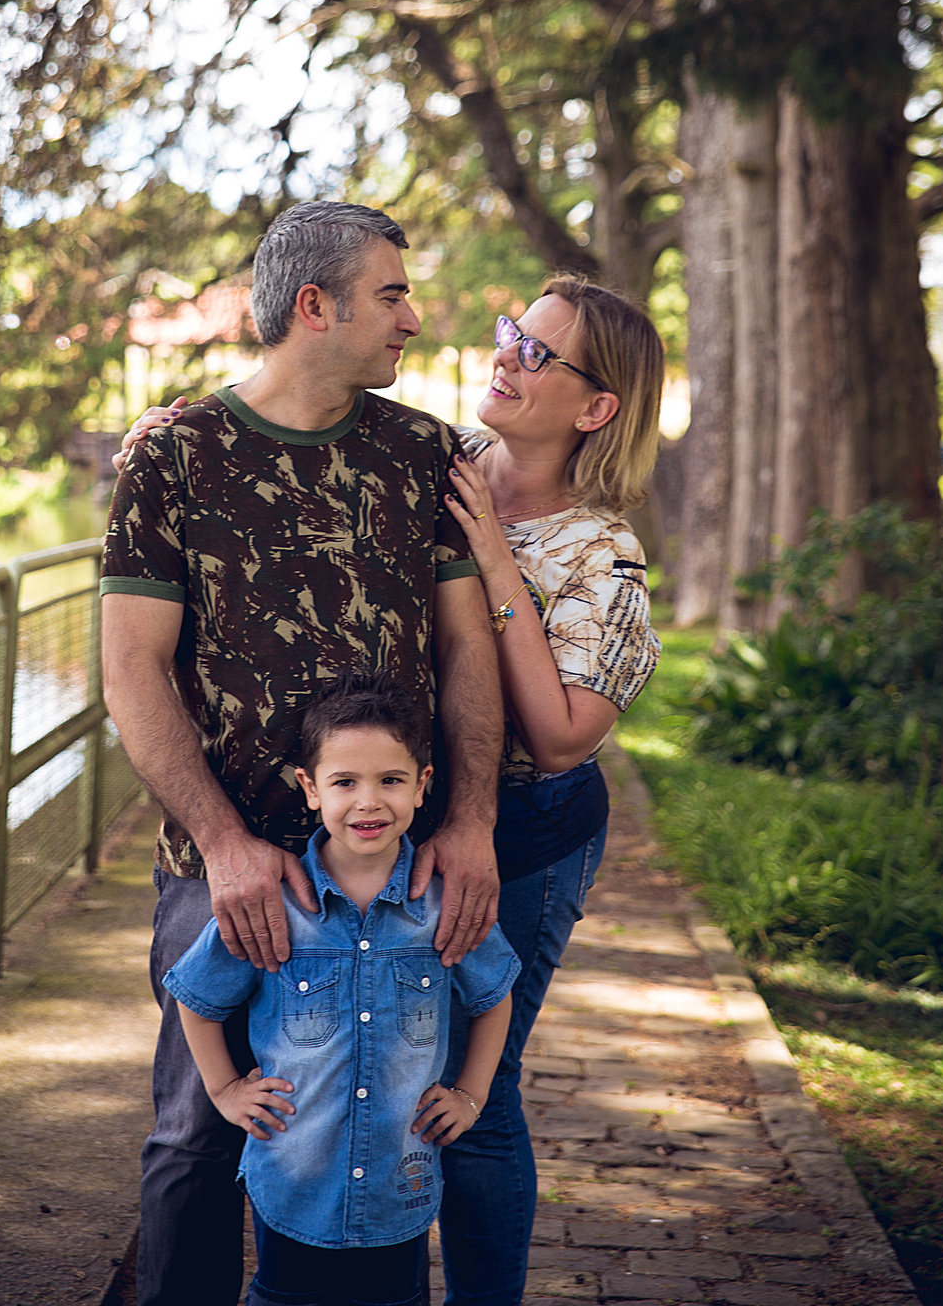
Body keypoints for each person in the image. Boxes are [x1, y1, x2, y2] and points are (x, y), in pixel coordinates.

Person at [121, 271, 664, 1306]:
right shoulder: (439, 457)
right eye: (512, 332)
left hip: (526, 825)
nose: (505, 356)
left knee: (471, 1090)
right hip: (400, 810)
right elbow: (301, 428)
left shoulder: (602, 551)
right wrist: (175, 436)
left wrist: (493, 559)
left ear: (596, 409)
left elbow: (559, 738)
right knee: (383, 1061)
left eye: (538, 352)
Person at [99, 201, 504, 1306]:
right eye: (393, 294)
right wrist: (224, 844)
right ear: (314, 305)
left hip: (388, 864)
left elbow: (467, 650)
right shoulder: (173, 456)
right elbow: (134, 671)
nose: (413, 318)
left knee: (387, 1122)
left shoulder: (424, 454)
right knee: (195, 1134)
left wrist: (470, 820)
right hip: (221, 865)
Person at [163, 673, 520, 1306]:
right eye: (345, 782)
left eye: (391, 781)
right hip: (293, 1176)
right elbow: (197, 996)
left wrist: (471, 1094)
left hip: (400, 1180)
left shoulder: (442, 905)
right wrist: (224, 1090)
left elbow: (494, 996)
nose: (368, 802)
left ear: (422, 785)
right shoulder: (273, 905)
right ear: (310, 788)